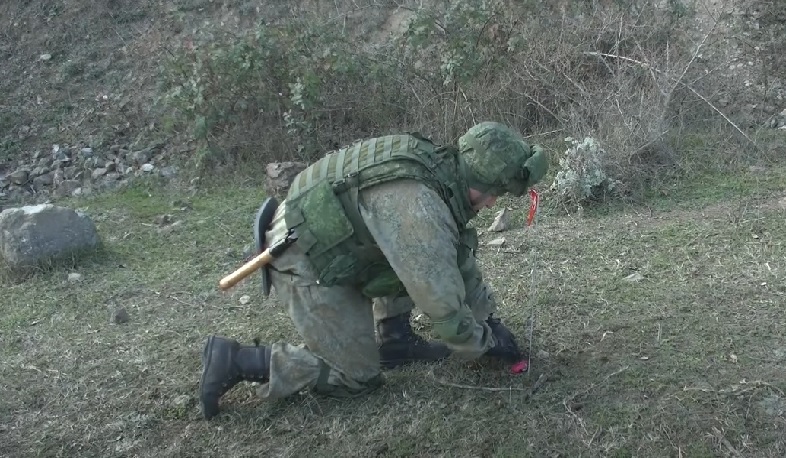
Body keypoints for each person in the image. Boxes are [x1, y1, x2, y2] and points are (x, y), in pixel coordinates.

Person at [199, 121, 548, 420]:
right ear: (475, 174)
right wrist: (482, 344)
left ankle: (396, 339)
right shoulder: (418, 204)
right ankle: (239, 361)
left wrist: (488, 319)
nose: (492, 203)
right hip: (306, 256)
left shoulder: (440, 170)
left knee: (413, 255)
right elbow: (440, 298)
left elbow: (457, 257)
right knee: (355, 375)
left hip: (336, 238)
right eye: (491, 193)